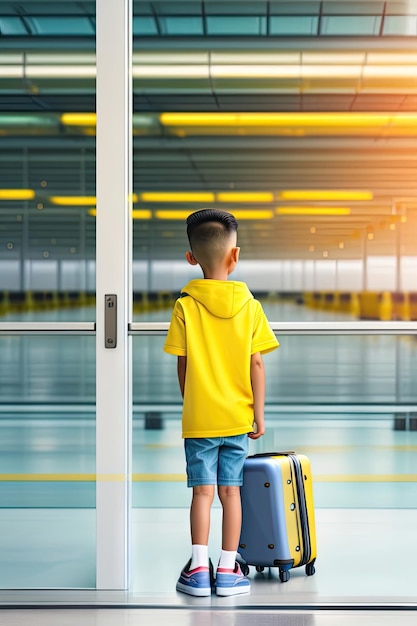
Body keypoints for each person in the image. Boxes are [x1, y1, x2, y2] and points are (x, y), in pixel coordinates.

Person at [163, 208, 279, 597]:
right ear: (236, 256)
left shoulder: (185, 305)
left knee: (202, 493)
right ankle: (228, 570)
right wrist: (257, 414)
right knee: (232, 493)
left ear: (191, 258)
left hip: (201, 419)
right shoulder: (250, 306)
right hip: (236, 418)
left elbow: (184, 365)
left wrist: (192, 402)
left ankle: (198, 569)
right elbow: (257, 363)